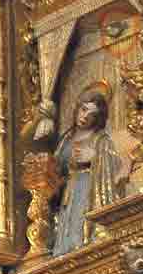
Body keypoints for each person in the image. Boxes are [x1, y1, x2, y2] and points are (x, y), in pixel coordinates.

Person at [50, 87, 126, 254]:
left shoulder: (101, 139)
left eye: (91, 115)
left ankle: (83, 245)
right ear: (77, 108)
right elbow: (57, 168)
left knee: (80, 221)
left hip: (87, 189)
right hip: (68, 191)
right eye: (83, 110)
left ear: (97, 119)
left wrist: (95, 157)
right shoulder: (66, 138)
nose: (84, 117)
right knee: (67, 221)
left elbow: (114, 166)